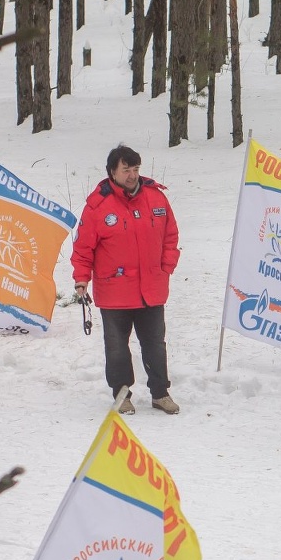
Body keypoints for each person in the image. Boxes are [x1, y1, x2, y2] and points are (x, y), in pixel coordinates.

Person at [71, 144, 181, 415]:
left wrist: (166, 267)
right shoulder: (98, 205)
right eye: (126, 170)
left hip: (151, 289)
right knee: (117, 348)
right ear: (112, 172)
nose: (132, 175)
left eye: (135, 169)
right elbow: (83, 248)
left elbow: (171, 236)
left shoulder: (156, 198)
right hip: (114, 292)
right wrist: (81, 279)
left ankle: (160, 394)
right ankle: (122, 395)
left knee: (155, 344)